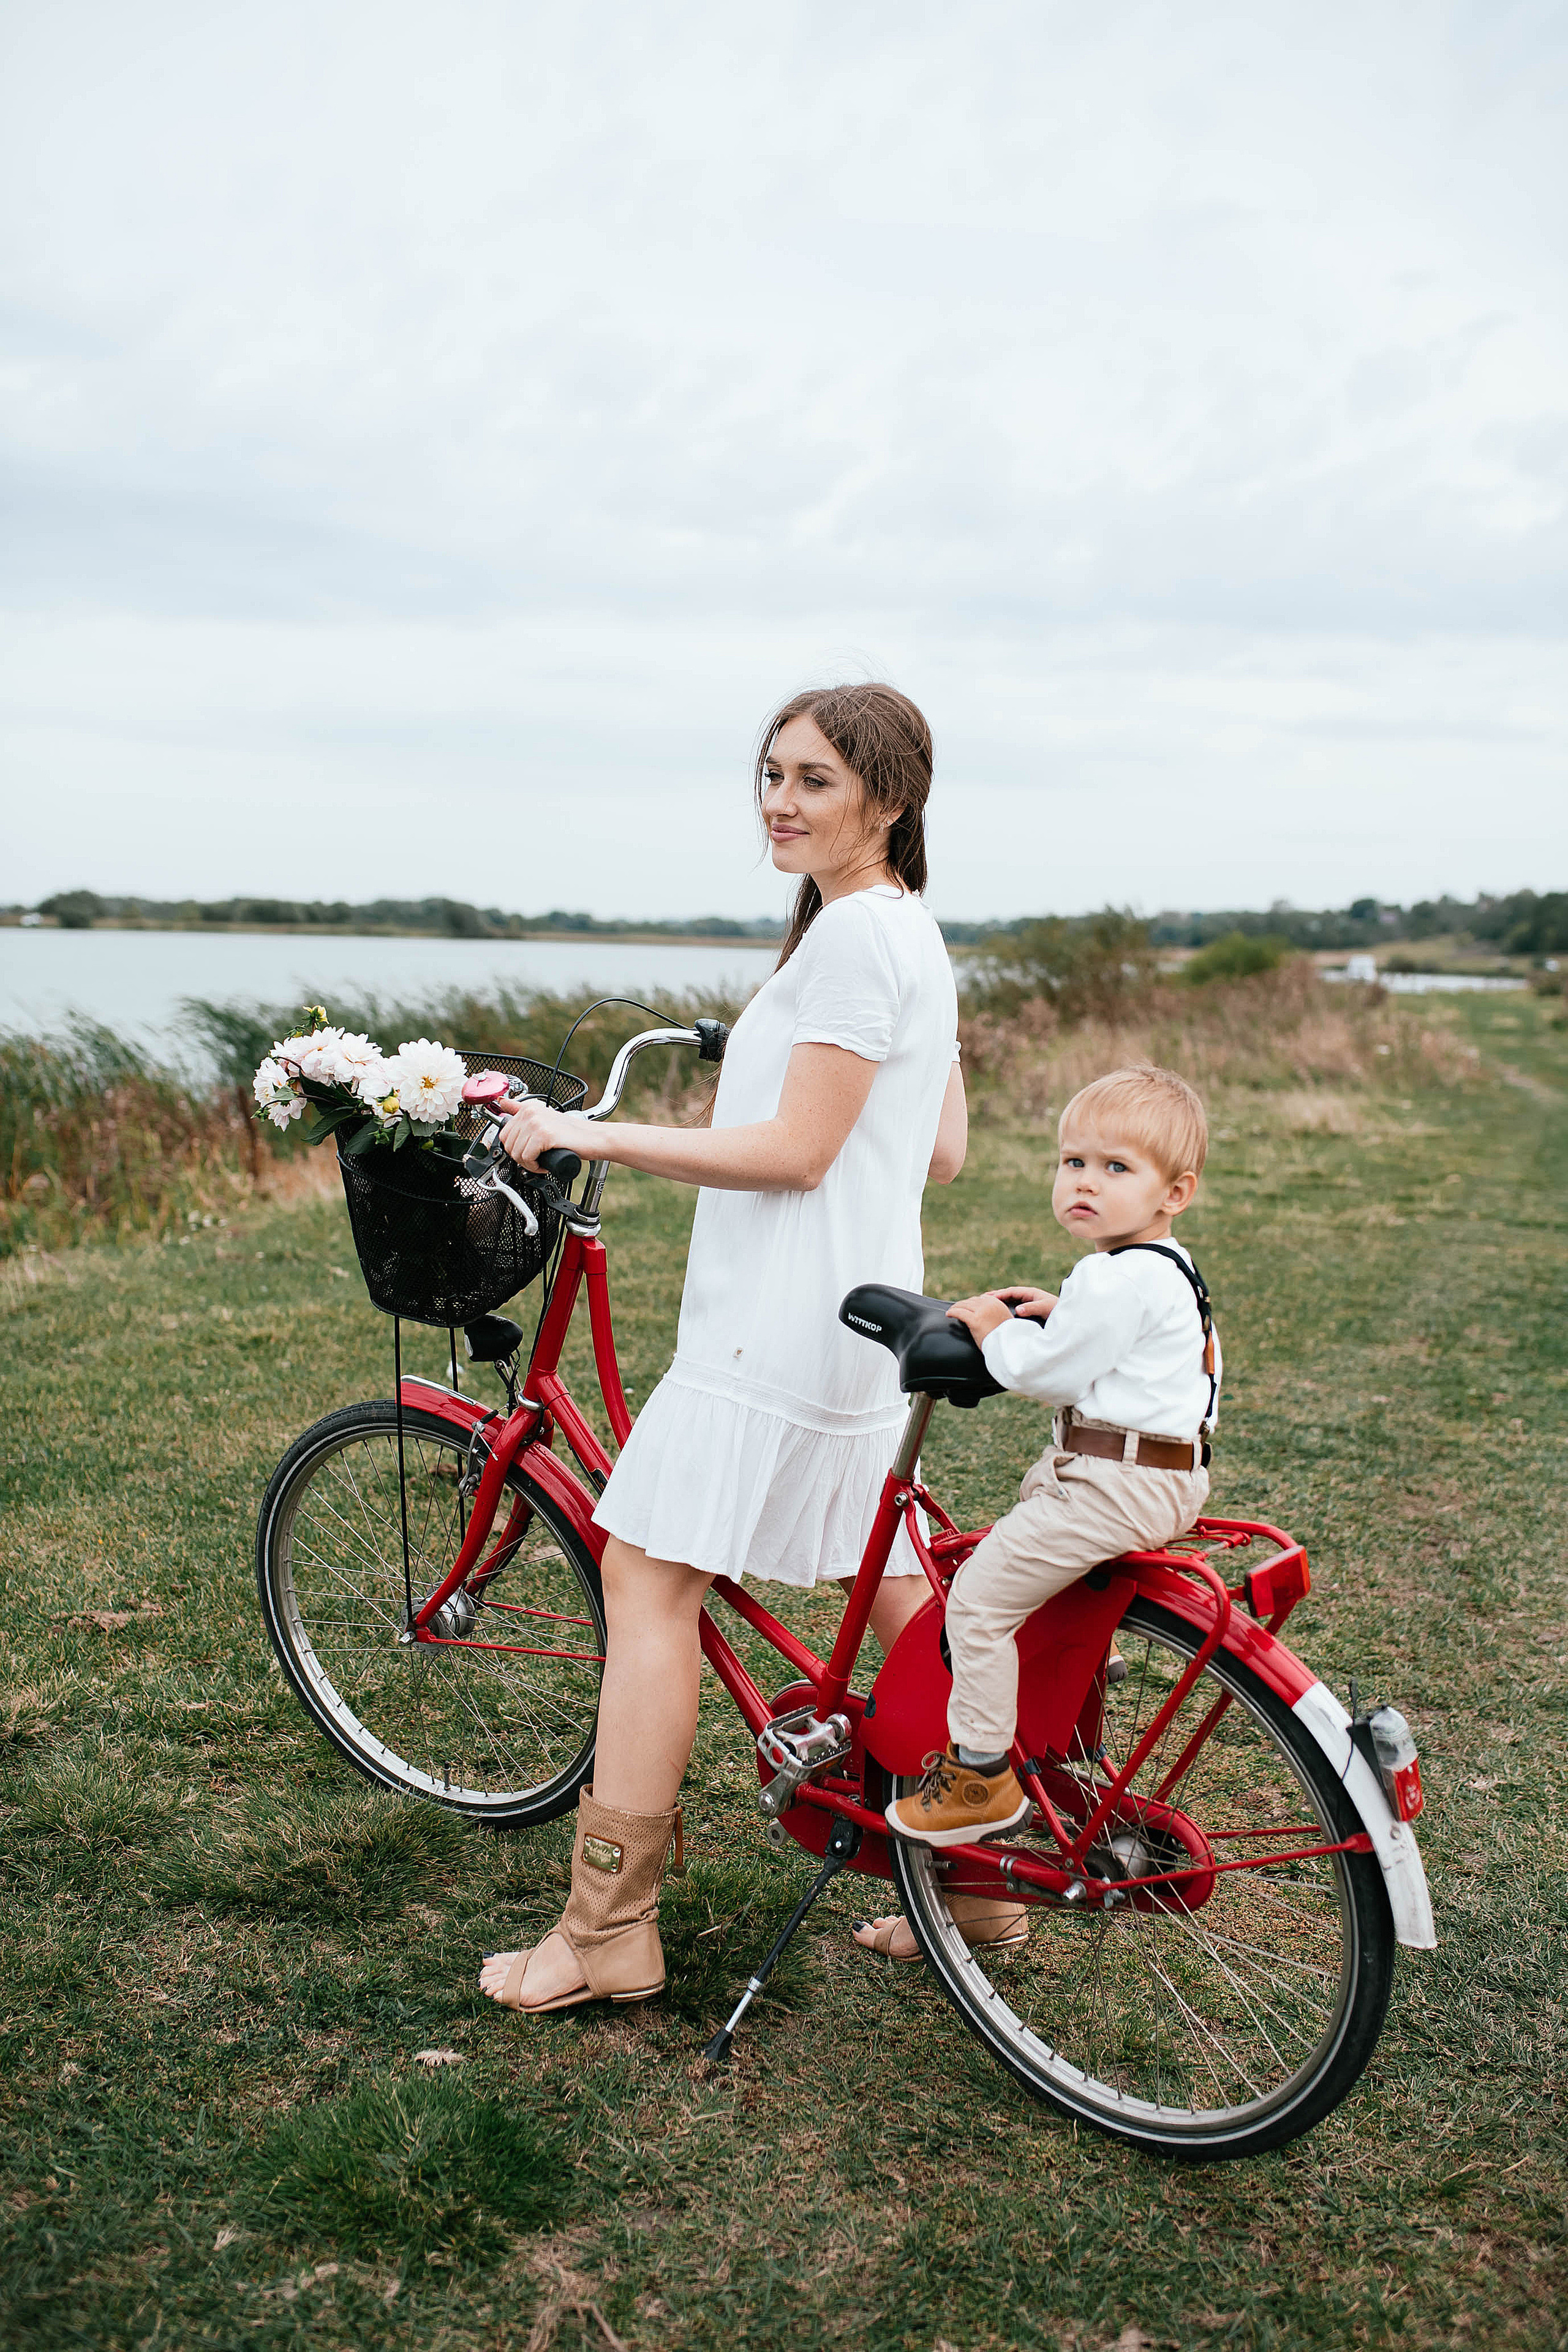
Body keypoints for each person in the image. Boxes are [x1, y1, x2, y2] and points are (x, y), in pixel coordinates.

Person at [479, 682, 1002, 2016]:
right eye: (770, 774)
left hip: (777, 1338)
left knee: (647, 1590)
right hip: (862, 1327)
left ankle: (605, 1934)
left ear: (885, 801)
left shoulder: (844, 943)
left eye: (813, 780)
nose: (778, 799)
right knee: (891, 1592)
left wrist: (593, 1134)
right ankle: (987, 1879)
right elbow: (934, 1149)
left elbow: (794, 1152)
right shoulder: (907, 933)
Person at [884, 1063, 1220, 1849]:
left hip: (1111, 1484)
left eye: (1116, 1168)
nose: (1085, 1183)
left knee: (977, 1601)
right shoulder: (1165, 1267)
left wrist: (992, 1329)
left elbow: (1050, 1372)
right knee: (1028, 1570)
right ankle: (1075, 1678)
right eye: (1073, 1162)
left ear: (1174, 1193)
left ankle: (978, 1776)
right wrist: (1066, 1312)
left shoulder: (1110, 1277)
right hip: (1165, 1475)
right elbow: (1132, 1343)